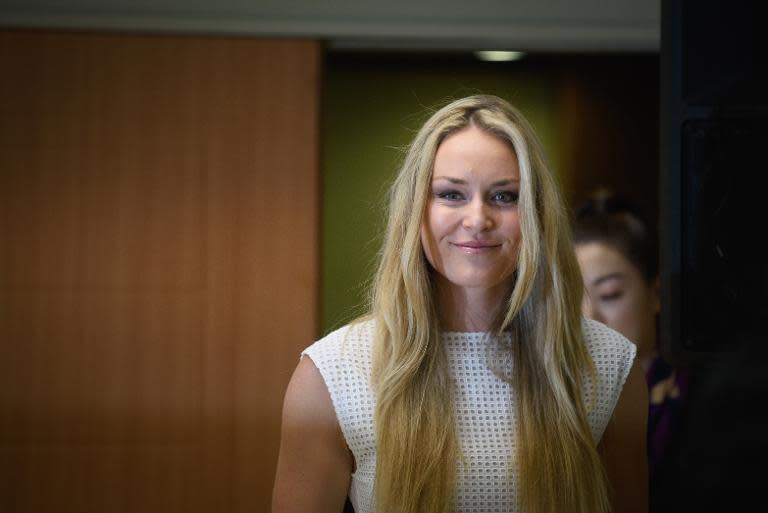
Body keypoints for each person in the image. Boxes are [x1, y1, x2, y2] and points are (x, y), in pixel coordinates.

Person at [272, 95, 648, 513]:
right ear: (416, 210)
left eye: (504, 197)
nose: (477, 219)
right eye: (451, 194)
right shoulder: (331, 374)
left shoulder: (610, 365)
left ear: (537, 214)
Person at [573, 191, 690, 510]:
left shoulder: (705, 400)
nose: (589, 318)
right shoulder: (561, 400)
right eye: (572, 299)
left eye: (609, 294)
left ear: (655, 292)